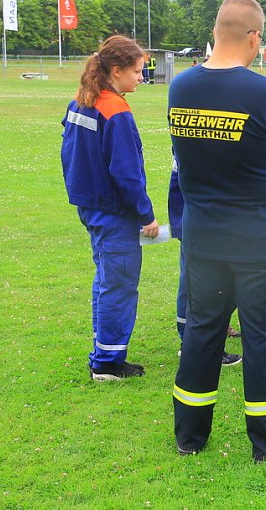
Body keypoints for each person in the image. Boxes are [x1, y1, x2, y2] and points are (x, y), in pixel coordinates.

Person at [169, 0, 266, 462]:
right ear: (255, 38)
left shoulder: (181, 87)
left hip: (204, 239)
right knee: (262, 342)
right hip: (258, 243)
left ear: (216, 32)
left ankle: (189, 436)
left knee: (202, 336)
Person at [60, 35, 159, 381]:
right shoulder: (115, 109)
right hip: (113, 210)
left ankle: (105, 351)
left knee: (106, 280)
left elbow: (69, 153)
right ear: (116, 72)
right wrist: (146, 214)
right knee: (118, 284)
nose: (140, 78)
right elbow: (127, 171)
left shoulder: (81, 101)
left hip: (90, 205)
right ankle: (107, 363)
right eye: (136, 71)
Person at [168, 151, 242, 364]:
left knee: (212, 280)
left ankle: (204, 335)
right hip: (199, 218)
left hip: (202, 216)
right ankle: (192, 342)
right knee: (196, 283)